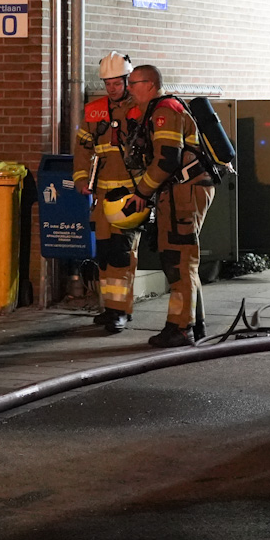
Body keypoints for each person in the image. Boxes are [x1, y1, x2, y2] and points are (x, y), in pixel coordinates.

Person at [123, 64, 216, 348]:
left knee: (179, 260)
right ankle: (193, 324)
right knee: (182, 259)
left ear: (150, 84)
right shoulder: (158, 109)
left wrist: (142, 192)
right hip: (178, 191)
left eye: (133, 83)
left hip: (183, 192)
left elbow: (166, 160)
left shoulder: (165, 111)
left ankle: (180, 328)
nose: (129, 88)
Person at [74, 52, 143, 333]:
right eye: (108, 84)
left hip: (131, 194)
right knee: (104, 254)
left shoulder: (140, 108)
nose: (112, 89)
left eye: (117, 83)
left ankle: (120, 311)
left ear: (127, 81)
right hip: (103, 195)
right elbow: (82, 149)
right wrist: (81, 180)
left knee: (121, 254)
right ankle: (112, 308)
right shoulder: (94, 111)